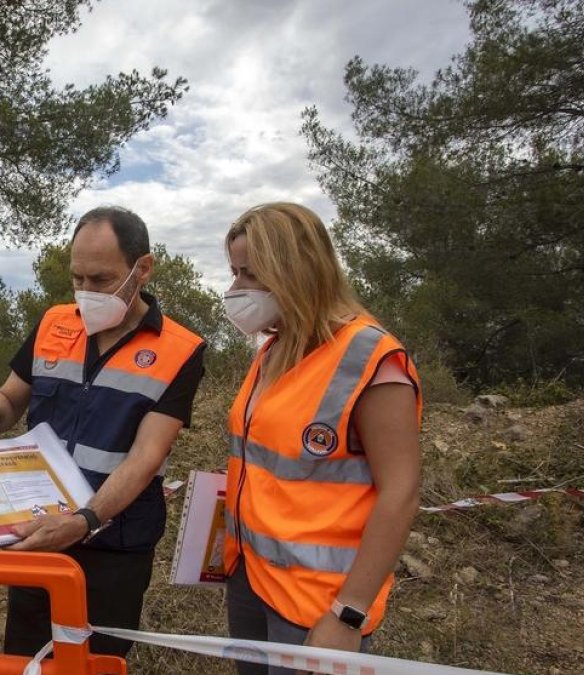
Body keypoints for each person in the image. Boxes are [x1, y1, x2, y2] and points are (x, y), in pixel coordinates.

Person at [0, 206, 206, 658]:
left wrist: (83, 522)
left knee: (93, 662)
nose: (87, 292)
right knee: (26, 660)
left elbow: (146, 457)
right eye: (78, 279)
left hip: (114, 545)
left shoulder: (180, 351)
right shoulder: (54, 323)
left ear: (142, 269)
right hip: (38, 532)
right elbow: (11, 397)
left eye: (102, 280)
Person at [220, 203, 422, 674]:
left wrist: (348, 615)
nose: (236, 290)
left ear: (295, 270)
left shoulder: (372, 359)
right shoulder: (274, 350)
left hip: (318, 603)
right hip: (252, 579)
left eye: (250, 274)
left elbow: (402, 493)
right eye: (234, 273)